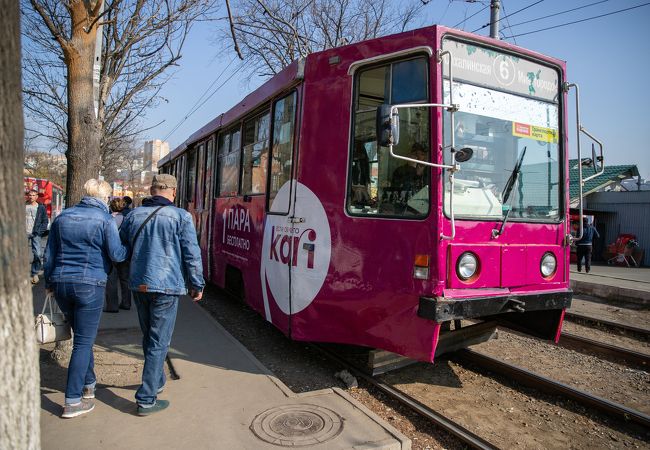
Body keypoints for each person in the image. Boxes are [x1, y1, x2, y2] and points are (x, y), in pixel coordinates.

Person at [120, 174, 204, 416]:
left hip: (139, 284)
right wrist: (196, 283)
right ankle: (146, 399)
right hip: (166, 286)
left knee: (149, 336)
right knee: (159, 341)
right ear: (174, 192)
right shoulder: (180, 217)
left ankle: (155, 381)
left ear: (151, 189)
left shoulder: (133, 215)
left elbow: (122, 249)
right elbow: (191, 253)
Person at [44, 179, 128, 418]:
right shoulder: (105, 220)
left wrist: (49, 283)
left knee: (82, 338)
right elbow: (117, 254)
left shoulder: (62, 217)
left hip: (61, 284)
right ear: (105, 198)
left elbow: (49, 254)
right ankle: (72, 401)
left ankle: (89, 384)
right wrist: (129, 247)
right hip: (90, 285)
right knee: (82, 342)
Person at [104, 197, 132, 312]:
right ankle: (126, 302)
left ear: (111, 207)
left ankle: (112, 305)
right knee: (125, 279)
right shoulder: (127, 219)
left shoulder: (107, 219)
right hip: (124, 252)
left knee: (111, 279)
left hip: (110, 252)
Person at [26, 189, 48, 284]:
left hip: (35, 233)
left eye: (33, 195)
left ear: (36, 196)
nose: (31, 197)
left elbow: (45, 221)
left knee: (38, 254)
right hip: (24, 233)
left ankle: (34, 273)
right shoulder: (23, 205)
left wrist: (39, 232)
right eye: (30, 195)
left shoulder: (41, 207)